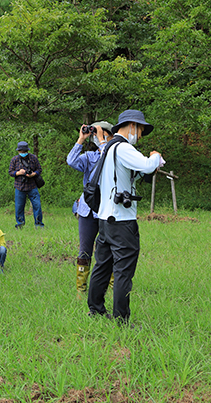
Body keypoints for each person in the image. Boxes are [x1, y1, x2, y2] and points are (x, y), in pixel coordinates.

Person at [87, 110, 163, 324]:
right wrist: (156, 156)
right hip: (122, 221)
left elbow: (126, 175)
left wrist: (144, 171)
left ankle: (95, 310)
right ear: (131, 126)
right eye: (139, 130)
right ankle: (121, 319)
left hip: (105, 219)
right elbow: (148, 164)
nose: (139, 136)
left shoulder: (109, 148)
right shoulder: (123, 147)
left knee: (102, 266)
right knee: (123, 270)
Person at [66, 122, 113, 295]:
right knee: (85, 249)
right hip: (87, 209)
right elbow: (71, 161)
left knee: (110, 248)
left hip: (107, 209)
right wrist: (81, 138)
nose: (95, 135)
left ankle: (112, 287)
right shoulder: (89, 156)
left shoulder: (115, 153)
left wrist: (103, 141)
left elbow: (110, 160)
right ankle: (81, 289)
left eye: (100, 132)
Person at [8, 141, 44, 229]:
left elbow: (39, 169)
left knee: (37, 206)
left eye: (24, 152)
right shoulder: (14, 159)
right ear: (18, 151)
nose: (23, 153)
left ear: (27, 150)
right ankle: (20, 225)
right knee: (19, 208)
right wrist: (18, 173)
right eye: (21, 152)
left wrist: (33, 174)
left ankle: (39, 224)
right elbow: (10, 172)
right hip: (19, 187)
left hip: (32, 186)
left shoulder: (33, 158)